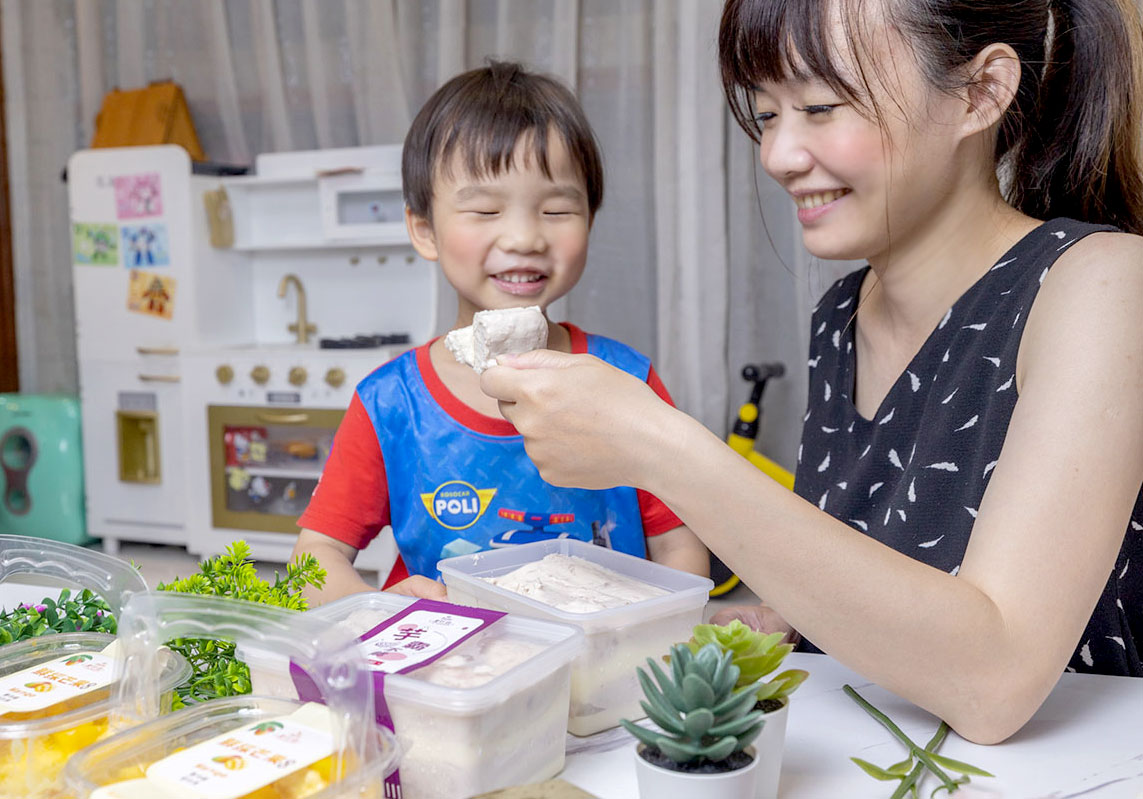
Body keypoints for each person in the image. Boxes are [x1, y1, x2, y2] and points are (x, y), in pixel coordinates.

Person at [480, 0, 1143, 744]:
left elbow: (993, 679)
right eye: (765, 115)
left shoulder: (1101, 286)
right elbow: (863, 588)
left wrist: (657, 445)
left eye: (821, 107)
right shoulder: (840, 315)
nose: (778, 155)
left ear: (980, 92)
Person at [292, 61, 709, 605]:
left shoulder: (627, 379)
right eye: (486, 209)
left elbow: (680, 544)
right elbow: (316, 555)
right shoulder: (391, 402)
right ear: (424, 230)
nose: (524, 236)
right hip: (449, 666)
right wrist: (377, 607)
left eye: (557, 209)